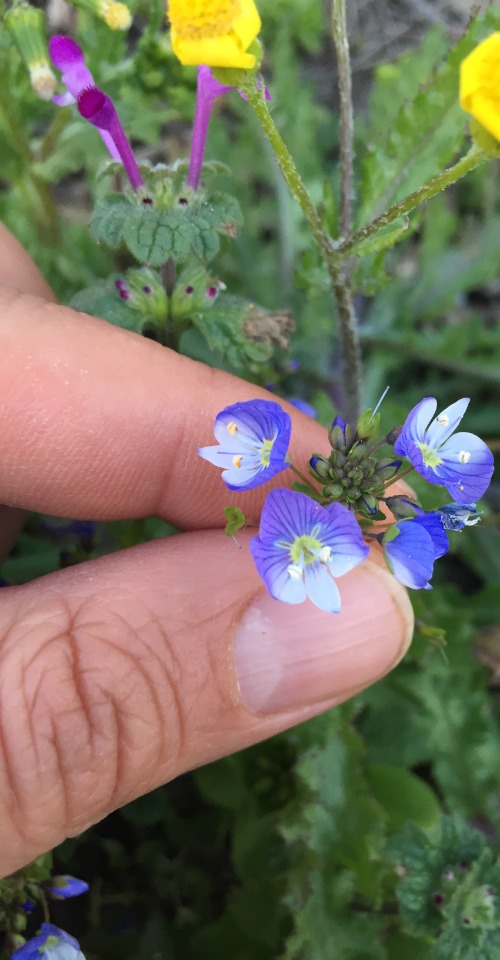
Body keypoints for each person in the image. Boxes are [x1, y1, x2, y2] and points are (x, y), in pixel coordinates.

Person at [0, 224, 413, 878]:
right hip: (292, 536)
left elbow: (296, 526)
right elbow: (284, 515)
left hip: (299, 541)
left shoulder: (304, 518)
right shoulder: (285, 504)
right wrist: (300, 534)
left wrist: (307, 540)